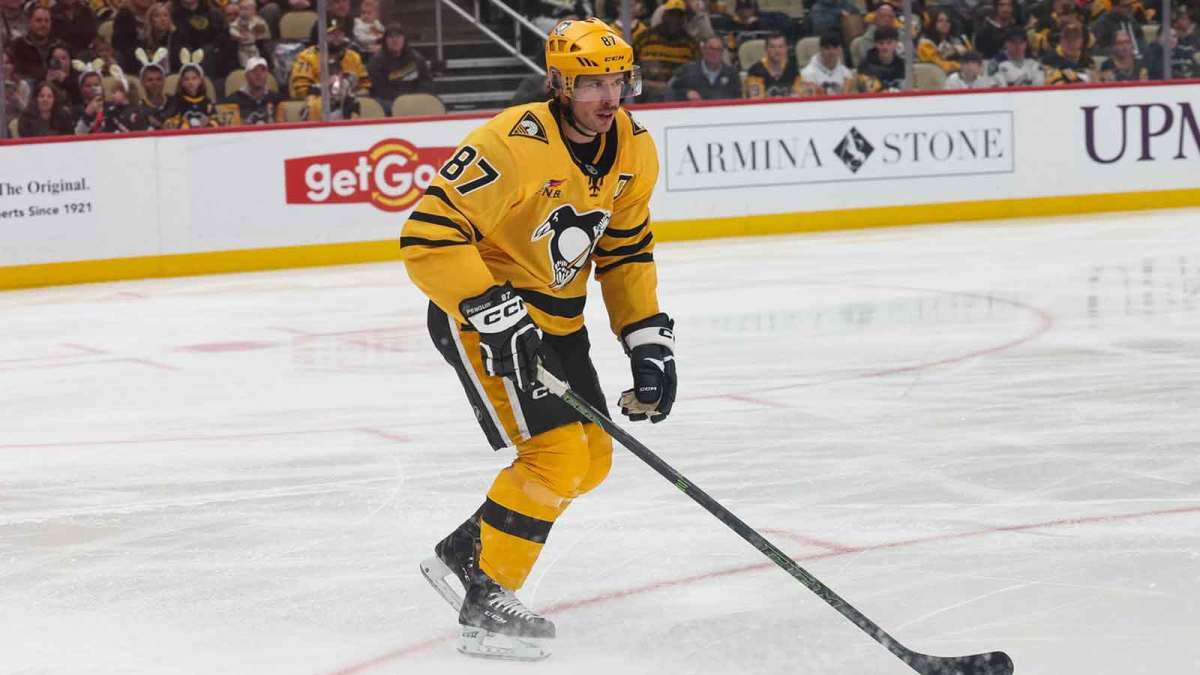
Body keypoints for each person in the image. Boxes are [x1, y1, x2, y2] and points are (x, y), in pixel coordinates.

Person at [406, 16, 674, 663]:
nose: (608, 98)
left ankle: (469, 549)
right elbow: (427, 235)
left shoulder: (634, 149)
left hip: (560, 322)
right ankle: (486, 596)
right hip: (486, 316)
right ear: (558, 82)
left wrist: (646, 339)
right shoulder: (512, 143)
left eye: (617, 81)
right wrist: (491, 311)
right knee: (554, 455)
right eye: (591, 84)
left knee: (594, 457)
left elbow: (627, 250)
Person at [633, 0, 698, 101]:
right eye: (671, 15)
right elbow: (630, 65)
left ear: (683, 19)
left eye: (678, 16)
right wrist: (638, 87)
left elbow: (696, 73)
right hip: (645, 93)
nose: (674, 20)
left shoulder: (690, 44)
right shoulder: (645, 38)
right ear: (664, 16)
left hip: (677, 95)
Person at [289, 17, 369, 99]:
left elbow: (366, 87)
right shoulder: (306, 57)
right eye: (331, 33)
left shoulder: (354, 57)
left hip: (350, 106)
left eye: (340, 33)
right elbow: (302, 91)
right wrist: (328, 90)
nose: (337, 36)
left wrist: (350, 95)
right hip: (317, 106)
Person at [366, 22, 433, 106]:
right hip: (389, 104)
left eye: (398, 36)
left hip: (415, 102)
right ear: (385, 40)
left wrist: (415, 99)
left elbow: (426, 83)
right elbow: (380, 90)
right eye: (391, 37)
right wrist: (402, 101)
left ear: (404, 39)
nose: (395, 40)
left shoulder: (416, 59)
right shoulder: (376, 63)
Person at [668, 34, 741, 100]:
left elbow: (738, 98)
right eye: (711, 48)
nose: (714, 53)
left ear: (722, 53)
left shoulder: (732, 73)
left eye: (718, 50)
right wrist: (686, 94)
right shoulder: (687, 71)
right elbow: (669, 92)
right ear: (703, 50)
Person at [163, 51, 220, 127]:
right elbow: (167, 123)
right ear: (182, 82)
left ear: (200, 80)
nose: (190, 82)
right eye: (186, 79)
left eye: (194, 78)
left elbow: (217, 121)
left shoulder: (207, 102)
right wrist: (182, 123)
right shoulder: (175, 101)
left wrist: (208, 123)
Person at [9, 6, 63, 82]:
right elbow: (18, 71)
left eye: (47, 21)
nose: (43, 24)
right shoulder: (18, 45)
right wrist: (45, 75)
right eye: (39, 20)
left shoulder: (58, 45)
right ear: (29, 22)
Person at [223, 55, 282, 123]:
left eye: (263, 70)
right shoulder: (233, 101)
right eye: (254, 71)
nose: (258, 74)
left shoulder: (277, 99)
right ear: (246, 75)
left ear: (267, 74)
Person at [745, 31, 803, 97]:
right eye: (772, 47)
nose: (777, 51)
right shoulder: (755, 71)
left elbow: (799, 94)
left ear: (786, 49)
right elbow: (756, 98)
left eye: (781, 47)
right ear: (766, 49)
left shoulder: (793, 69)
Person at [799, 30, 855, 95]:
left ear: (840, 50)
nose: (831, 52)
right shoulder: (807, 73)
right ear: (820, 49)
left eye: (835, 48)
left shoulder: (847, 74)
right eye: (827, 48)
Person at [858, 25, 904, 90]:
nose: (885, 47)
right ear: (875, 44)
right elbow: (870, 89)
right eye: (881, 43)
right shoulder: (865, 64)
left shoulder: (901, 64)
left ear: (896, 43)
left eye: (889, 43)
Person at [229, 0, 270, 68]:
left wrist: (254, 30)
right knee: (244, 65)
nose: (243, 12)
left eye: (246, 9)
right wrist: (239, 36)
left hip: (256, 47)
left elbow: (264, 34)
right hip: (242, 48)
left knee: (256, 64)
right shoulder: (237, 22)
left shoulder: (259, 21)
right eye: (241, 9)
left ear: (254, 10)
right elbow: (232, 30)